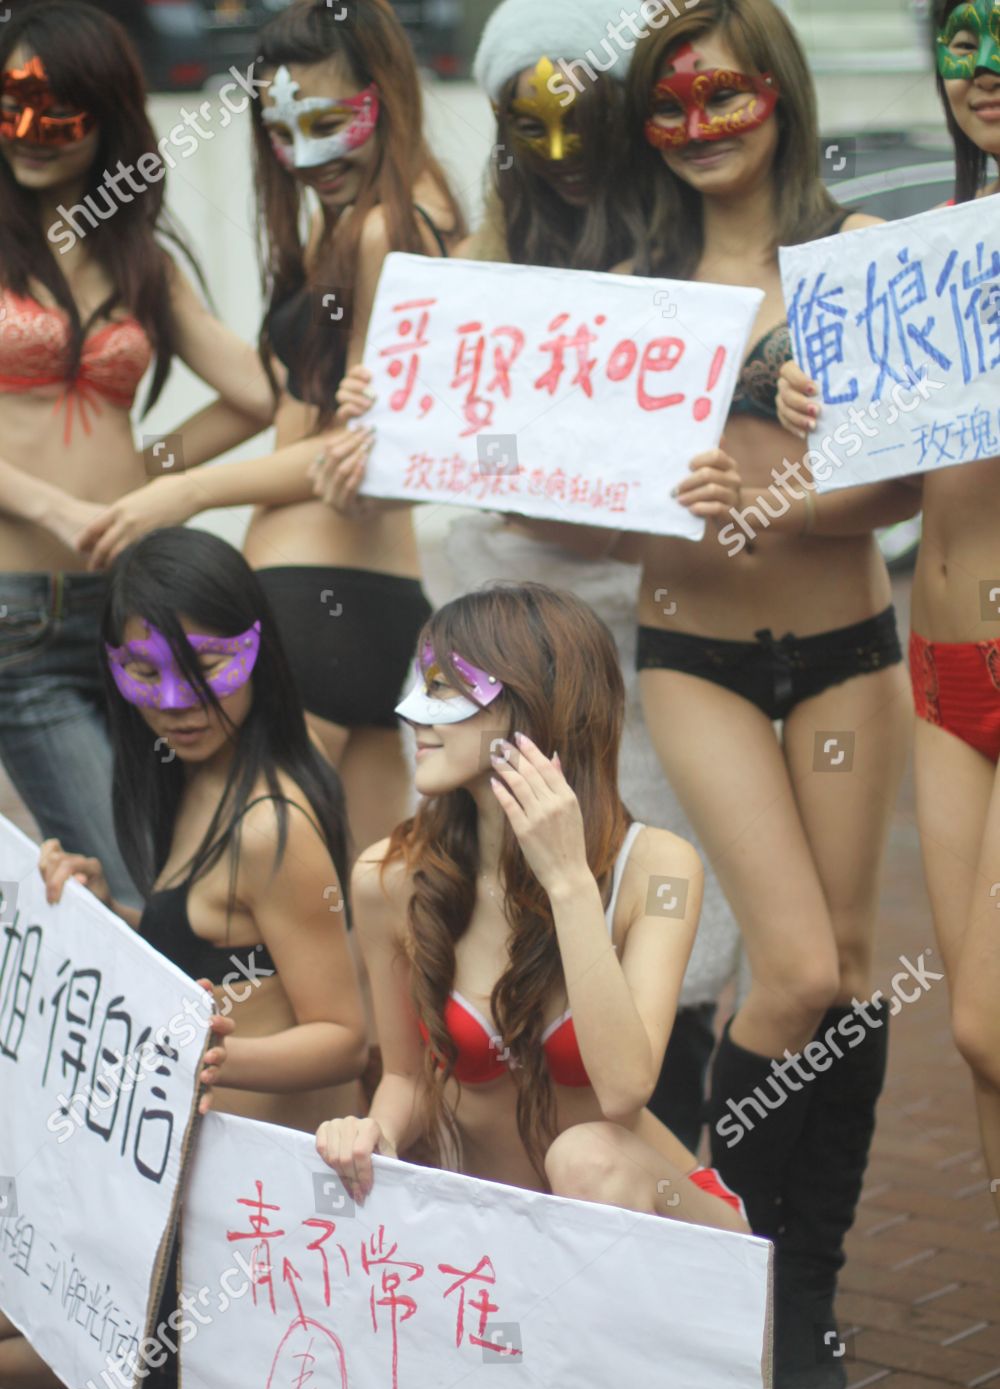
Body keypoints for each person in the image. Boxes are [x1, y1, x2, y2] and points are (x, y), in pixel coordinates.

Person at [312, 0, 744, 1152]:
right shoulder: (468, 276)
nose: (559, 149)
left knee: (645, 896)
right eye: (528, 122)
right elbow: (391, 478)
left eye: (582, 116)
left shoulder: (689, 277)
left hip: (645, 627)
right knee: (478, 874)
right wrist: (366, 439)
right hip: (496, 622)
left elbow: (725, 503)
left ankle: (644, 1165)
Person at [623, 0, 923, 1389]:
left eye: (724, 97)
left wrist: (807, 470)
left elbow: (909, 485)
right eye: (669, 105)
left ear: (780, 96)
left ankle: (805, 1287)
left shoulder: (857, 258)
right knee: (791, 968)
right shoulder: (630, 288)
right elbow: (555, 499)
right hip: (693, 655)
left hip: (847, 649)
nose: (698, 128)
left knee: (850, 973)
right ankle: (710, 1257)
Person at [78, 0, 466, 855]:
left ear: (389, 94)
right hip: (382, 604)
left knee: (224, 877)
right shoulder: (391, 215)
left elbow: (363, 451)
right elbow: (317, 420)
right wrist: (148, 467)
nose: (306, 156)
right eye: (282, 133)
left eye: (329, 122)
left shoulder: (385, 228)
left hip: (304, 601)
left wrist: (183, 491)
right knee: (372, 893)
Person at [2, 526, 368, 1389]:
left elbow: (346, 1038)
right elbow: (206, 951)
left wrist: (215, 1056)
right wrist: (103, 913)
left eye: (206, 666)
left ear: (257, 649)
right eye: (143, 672)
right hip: (160, 1196)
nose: (176, 702)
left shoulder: (270, 825)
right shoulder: (194, 779)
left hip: (235, 1248)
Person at [780, 0, 999, 1389]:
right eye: (961, 42)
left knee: (989, 1021)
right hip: (946, 670)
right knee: (984, 1059)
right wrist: (814, 437)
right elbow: (888, 496)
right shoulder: (924, 254)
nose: (982, 72)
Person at [316, 583, 749, 1239]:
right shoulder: (390, 877)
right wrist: (376, 1132)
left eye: (445, 691)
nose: (413, 715)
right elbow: (405, 1076)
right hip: (509, 1237)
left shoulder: (658, 868)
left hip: (646, 1226)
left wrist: (569, 883)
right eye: (421, 687)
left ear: (532, 705)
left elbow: (623, 1089)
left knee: (586, 1156)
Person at [0, 0, 275, 902]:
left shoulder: (140, 262)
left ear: (109, 116)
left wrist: (152, 478)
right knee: (123, 873)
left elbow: (259, 394)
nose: (28, 132)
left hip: (131, 607)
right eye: (10, 104)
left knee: (181, 852)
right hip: (16, 614)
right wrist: (56, 504)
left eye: (58, 112)